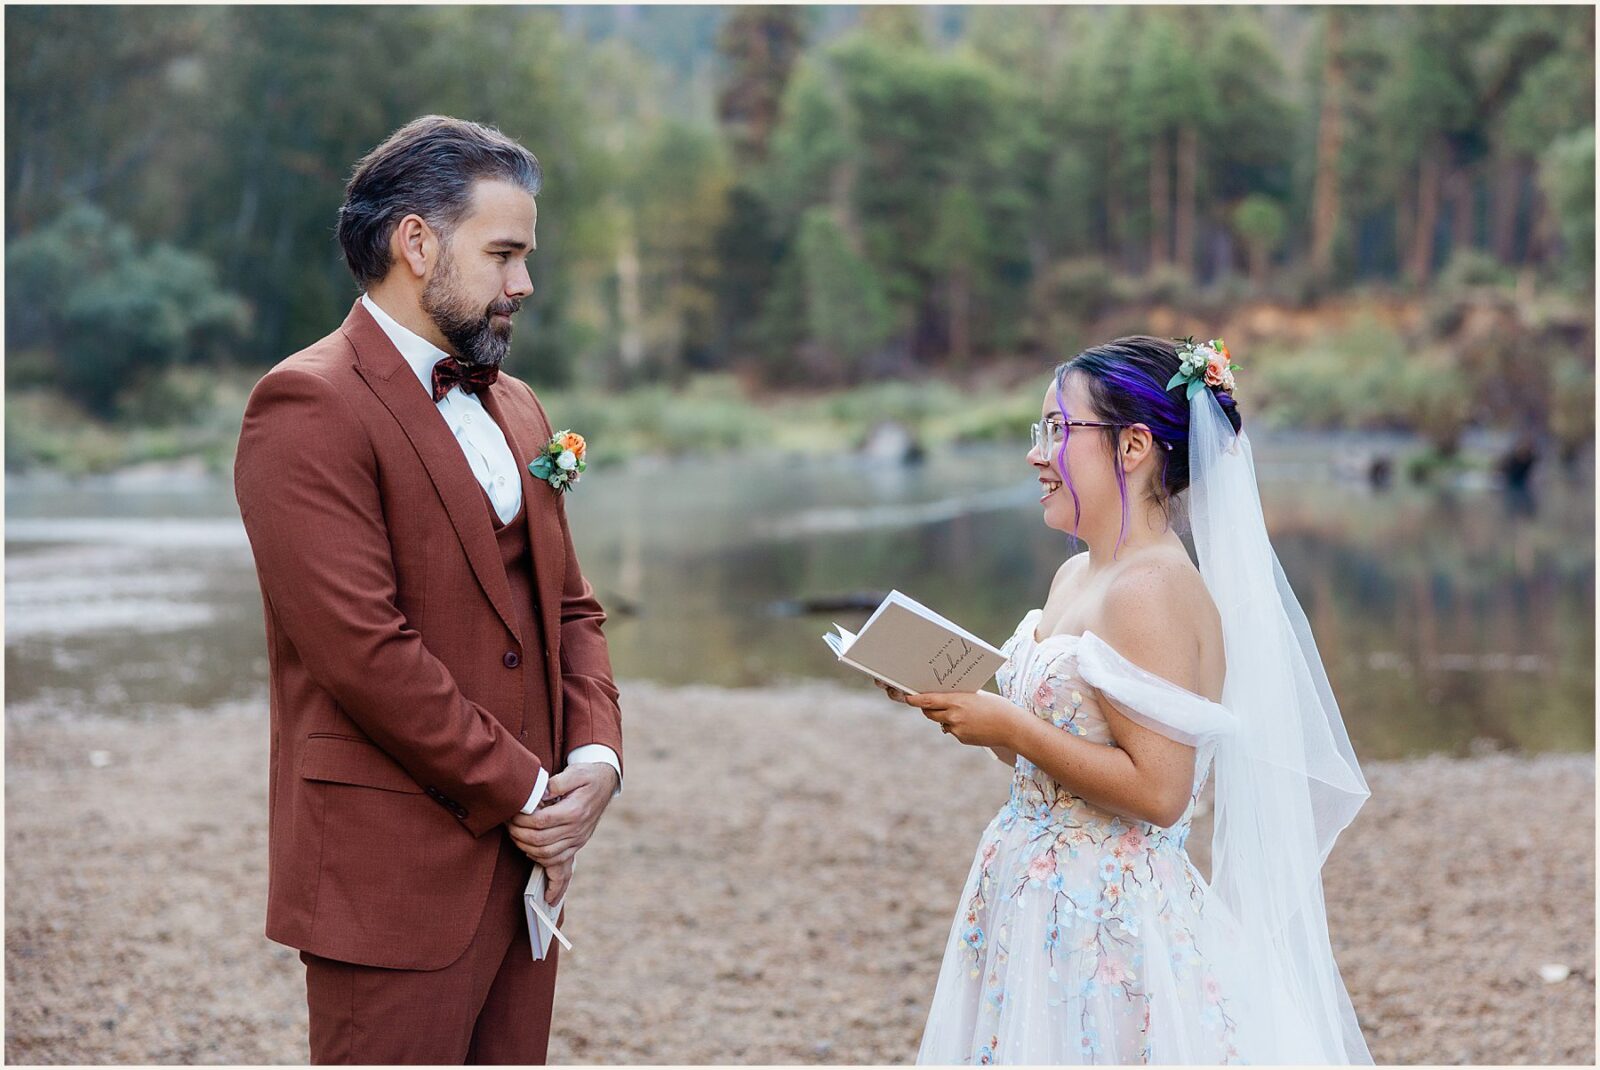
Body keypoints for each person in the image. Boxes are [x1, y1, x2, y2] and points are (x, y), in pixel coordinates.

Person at [233, 115, 623, 1064]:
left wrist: (597, 760)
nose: (523, 283)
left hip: (527, 865)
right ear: (416, 242)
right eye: (503, 254)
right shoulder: (306, 404)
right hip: (390, 869)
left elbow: (568, 606)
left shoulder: (518, 403)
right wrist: (530, 786)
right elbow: (363, 651)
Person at [886, 336, 1371, 1063]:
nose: (1035, 455)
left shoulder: (1152, 589)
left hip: (1107, 919)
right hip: (1032, 896)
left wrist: (1011, 723)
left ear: (1134, 445)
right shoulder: (1075, 576)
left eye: (1058, 431)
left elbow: (1160, 791)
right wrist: (966, 708)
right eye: (1037, 432)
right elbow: (1056, 773)